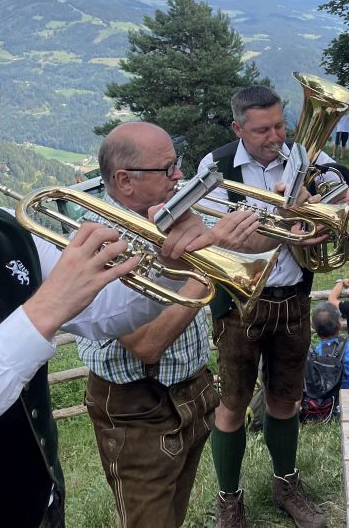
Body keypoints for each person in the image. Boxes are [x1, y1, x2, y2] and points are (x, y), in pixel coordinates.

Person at [0, 61, 216, 526]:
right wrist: (42, 312)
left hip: (41, 503)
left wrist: (170, 267)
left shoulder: (3, 227)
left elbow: (104, 315)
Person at [197, 84, 349, 528]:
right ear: (238, 128)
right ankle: (229, 499)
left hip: (293, 300)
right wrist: (286, 222)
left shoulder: (304, 157)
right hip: (238, 304)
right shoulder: (215, 166)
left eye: (279, 125)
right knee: (232, 405)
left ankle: (285, 484)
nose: (275, 137)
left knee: (286, 400)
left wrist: (345, 201)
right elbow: (213, 234)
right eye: (262, 130)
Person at [76, 122, 261, 528]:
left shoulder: (169, 212)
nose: (179, 175)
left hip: (191, 390)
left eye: (176, 163)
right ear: (125, 180)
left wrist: (282, 219)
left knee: (173, 516)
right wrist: (213, 257)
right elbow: (146, 344)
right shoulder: (99, 240)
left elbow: (248, 246)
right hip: (139, 406)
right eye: (167, 169)